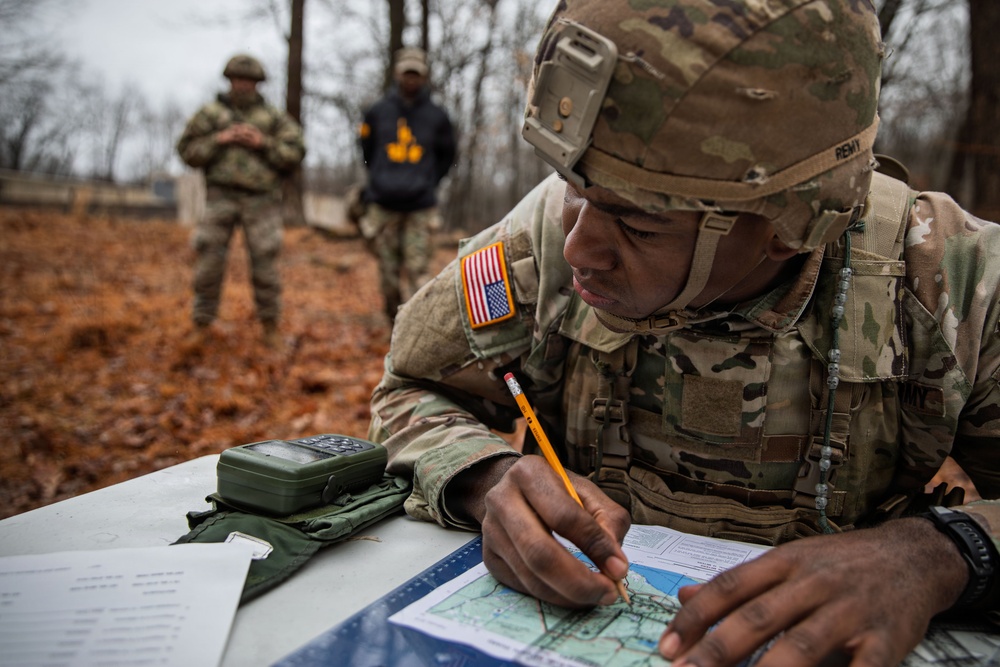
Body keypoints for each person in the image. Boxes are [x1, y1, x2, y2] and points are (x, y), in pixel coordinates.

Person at [368, 1, 1000, 665]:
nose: (580, 246)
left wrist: (937, 555)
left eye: (640, 224)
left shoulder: (953, 281)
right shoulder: (546, 241)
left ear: (790, 227)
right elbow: (410, 385)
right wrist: (486, 475)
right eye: (574, 188)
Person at [176, 54, 305, 349]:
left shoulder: (273, 118)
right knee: (208, 259)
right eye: (237, 79)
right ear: (229, 80)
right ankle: (202, 324)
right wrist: (219, 140)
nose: (243, 85)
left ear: (258, 84)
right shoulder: (210, 115)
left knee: (266, 264)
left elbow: (296, 151)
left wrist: (263, 143)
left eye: (249, 80)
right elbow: (186, 150)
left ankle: (270, 327)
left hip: (261, 201)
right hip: (220, 197)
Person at [358, 46, 456, 325]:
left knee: (419, 271)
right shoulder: (377, 111)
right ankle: (392, 318)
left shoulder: (438, 116)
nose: (411, 79)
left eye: (416, 74)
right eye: (406, 73)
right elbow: (366, 149)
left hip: (420, 205)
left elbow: (448, 156)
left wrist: (428, 182)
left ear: (423, 76)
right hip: (383, 202)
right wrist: (379, 178)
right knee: (387, 272)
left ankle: (416, 324)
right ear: (397, 74)